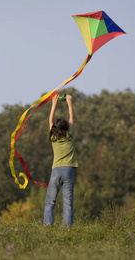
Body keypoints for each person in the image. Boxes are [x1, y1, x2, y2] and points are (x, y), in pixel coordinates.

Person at [43, 94, 78, 226]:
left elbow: (50, 121)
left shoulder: (53, 137)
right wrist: (69, 101)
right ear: (67, 128)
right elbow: (72, 119)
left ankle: (47, 227)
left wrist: (54, 104)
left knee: (50, 202)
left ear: (55, 129)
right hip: (69, 170)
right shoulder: (70, 135)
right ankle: (67, 228)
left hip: (56, 170)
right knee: (68, 203)